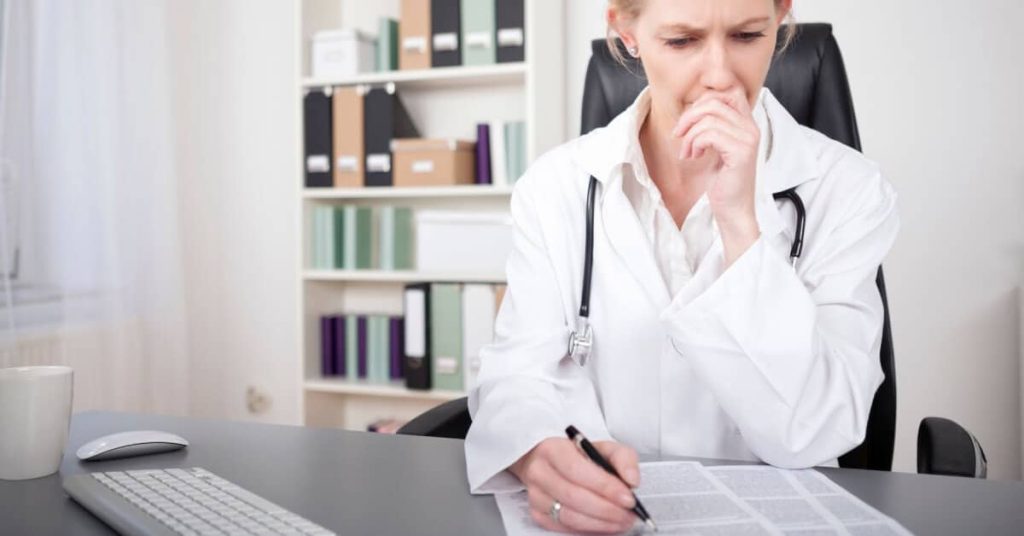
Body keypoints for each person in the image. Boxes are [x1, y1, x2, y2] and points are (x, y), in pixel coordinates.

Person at [465, 0, 899, 533]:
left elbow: (817, 427)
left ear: (781, 16)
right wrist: (537, 456)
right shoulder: (555, 187)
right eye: (681, 41)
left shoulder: (847, 189)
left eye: (746, 36)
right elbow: (515, 376)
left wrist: (741, 221)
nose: (719, 76)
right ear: (626, 33)